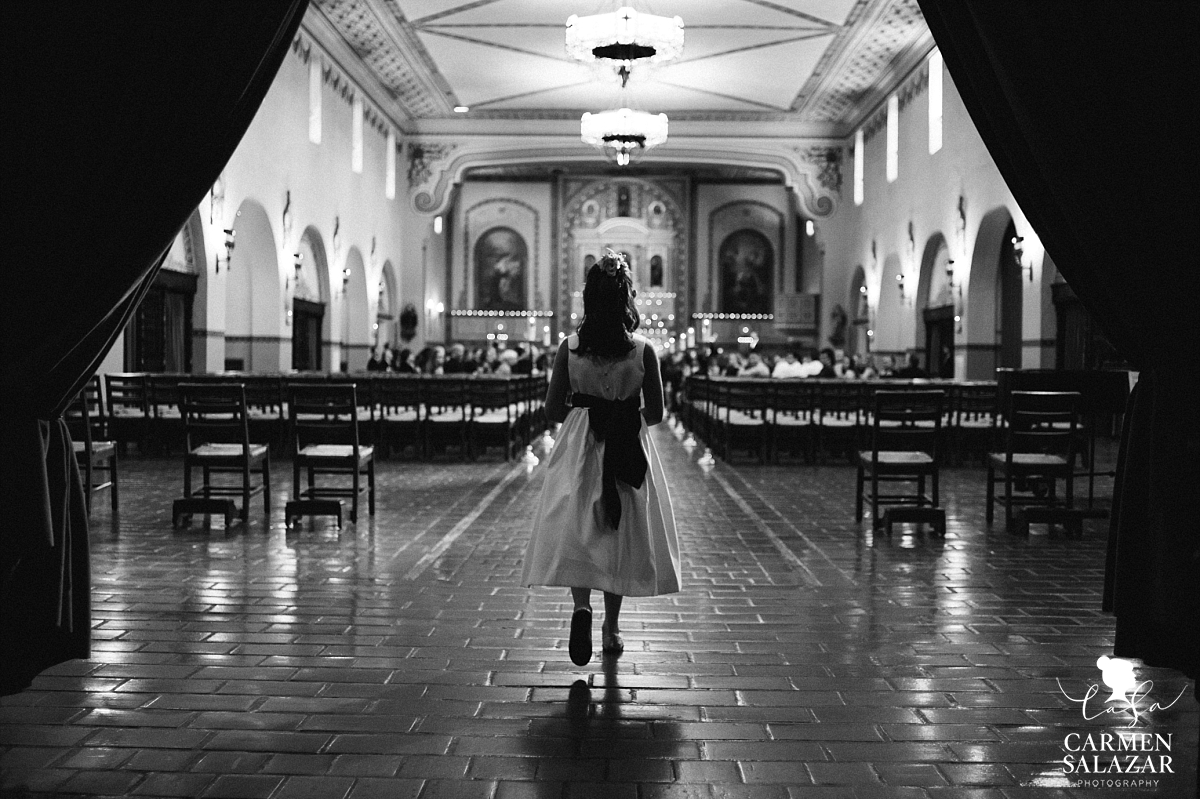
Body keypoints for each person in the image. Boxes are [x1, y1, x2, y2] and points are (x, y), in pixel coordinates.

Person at [521, 252, 681, 667]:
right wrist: (625, 419)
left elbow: (552, 410)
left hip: (580, 444)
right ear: (627, 299)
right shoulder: (643, 351)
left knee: (578, 528)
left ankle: (581, 608)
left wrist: (585, 412)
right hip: (626, 441)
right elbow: (659, 413)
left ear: (588, 300)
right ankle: (611, 628)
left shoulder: (569, 349)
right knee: (619, 532)